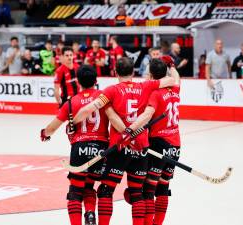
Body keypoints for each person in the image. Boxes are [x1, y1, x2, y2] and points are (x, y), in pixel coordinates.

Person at [72, 57, 176, 225]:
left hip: (119, 148)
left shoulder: (111, 91)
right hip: (141, 148)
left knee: (106, 190)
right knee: (137, 193)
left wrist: (73, 122)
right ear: (133, 72)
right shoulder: (145, 86)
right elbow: (171, 80)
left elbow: (90, 108)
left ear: (115, 72)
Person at [41, 65, 113, 225]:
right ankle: (90, 213)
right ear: (96, 80)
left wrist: (45, 134)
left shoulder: (72, 102)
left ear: (78, 82)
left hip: (79, 148)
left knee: (75, 191)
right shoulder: (104, 97)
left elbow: (52, 128)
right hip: (101, 148)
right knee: (89, 187)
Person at [127, 57, 181, 225]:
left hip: (159, 144)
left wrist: (130, 129)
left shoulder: (156, 93)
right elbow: (177, 78)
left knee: (150, 188)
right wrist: (171, 65)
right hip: (175, 145)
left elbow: (147, 115)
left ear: (150, 76)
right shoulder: (175, 89)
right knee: (163, 187)